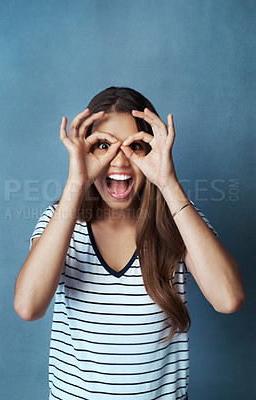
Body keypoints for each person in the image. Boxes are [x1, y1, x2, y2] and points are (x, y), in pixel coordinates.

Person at [14, 87, 245, 400]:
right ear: (85, 152)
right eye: (104, 145)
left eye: (135, 145)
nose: (119, 161)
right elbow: (28, 307)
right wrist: (76, 184)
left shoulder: (180, 221)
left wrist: (168, 183)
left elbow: (228, 299)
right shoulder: (63, 220)